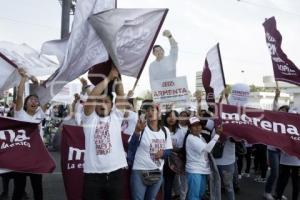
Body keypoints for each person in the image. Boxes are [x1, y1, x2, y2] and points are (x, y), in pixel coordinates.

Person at [82, 66, 130, 200]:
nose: (102, 104)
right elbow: (92, 97)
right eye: (100, 101)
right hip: (93, 176)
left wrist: (117, 75)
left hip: (116, 175)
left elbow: (120, 94)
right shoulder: (89, 119)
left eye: (106, 101)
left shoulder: (116, 117)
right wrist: (109, 77)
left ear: (111, 105)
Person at [13, 68, 47, 200]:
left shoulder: (40, 114)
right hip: (21, 155)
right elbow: (20, 95)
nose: (34, 101)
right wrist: (23, 79)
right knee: (19, 188)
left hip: (36, 156)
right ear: (25, 104)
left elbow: (44, 97)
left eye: (36, 100)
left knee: (37, 187)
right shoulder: (20, 113)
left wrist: (37, 84)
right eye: (31, 100)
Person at [129, 100, 173, 200]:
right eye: (147, 110)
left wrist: (163, 153)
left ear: (158, 113)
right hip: (140, 171)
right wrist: (137, 132)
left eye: (153, 109)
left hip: (157, 171)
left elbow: (169, 150)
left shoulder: (165, 130)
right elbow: (131, 147)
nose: (150, 112)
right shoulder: (141, 127)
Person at [185, 116, 221, 200]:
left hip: (202, 169)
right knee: (194, 196)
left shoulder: (200, 137)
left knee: (200, 194)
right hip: (194, 170)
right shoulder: (191, 138)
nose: (197, 127)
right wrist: (217, 135)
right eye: (194, 125)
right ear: (190, 128)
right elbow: (208, 149)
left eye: (199, 125)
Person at [263, 89, 288, 200]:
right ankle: (267, 192)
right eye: (281, 109)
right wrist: (276, 97)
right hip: (272, 150)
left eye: (286, 111)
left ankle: (278, 192)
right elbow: (274, 107)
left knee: (281, 174)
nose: (283, 112)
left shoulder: (287, 123)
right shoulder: (274, 119)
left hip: (282, 151)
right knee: (275, 173)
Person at [163, 110, 187, 200]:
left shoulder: (179, 131)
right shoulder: (161, 129)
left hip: (172, 162)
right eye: (169, 116)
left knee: (168, 183)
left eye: (173, 116)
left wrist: (170, 148)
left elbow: (181, 148)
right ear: (165, 118)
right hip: (160, 159)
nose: (171, 118)